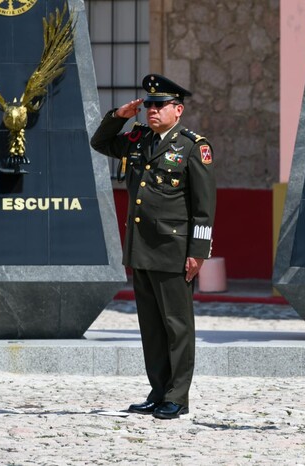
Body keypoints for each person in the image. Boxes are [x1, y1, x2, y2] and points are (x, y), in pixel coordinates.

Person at [91, 74, 216, 420]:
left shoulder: (193, 146)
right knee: (151, 326)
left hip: (174, 249)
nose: (151, 110)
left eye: (159, 105)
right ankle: (158, 390)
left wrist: (198, 252)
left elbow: (204, 206)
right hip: (142, 247)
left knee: (177, 326)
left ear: (178, 109)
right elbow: (100, 142)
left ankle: (178, 396)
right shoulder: (138, 138)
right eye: (148, 105)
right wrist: (120, 114)